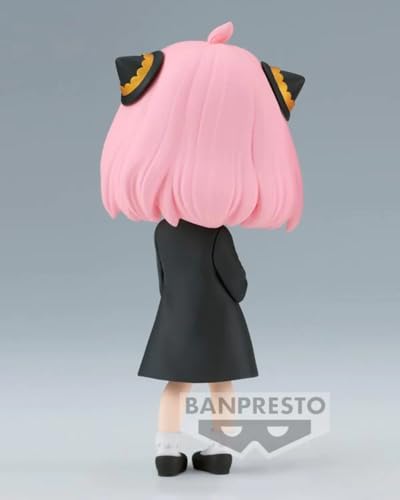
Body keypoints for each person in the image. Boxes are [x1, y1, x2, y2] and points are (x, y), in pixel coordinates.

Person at [100, 21, 305, 476]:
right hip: (218, 322)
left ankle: (167, 451)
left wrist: (176, 302)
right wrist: (234, 289)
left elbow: (162, 281)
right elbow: (236, 283)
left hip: (174, 317)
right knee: (220, 386)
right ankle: (218, 450)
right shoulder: (216, 235)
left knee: (175, 385)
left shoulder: (164, 232)